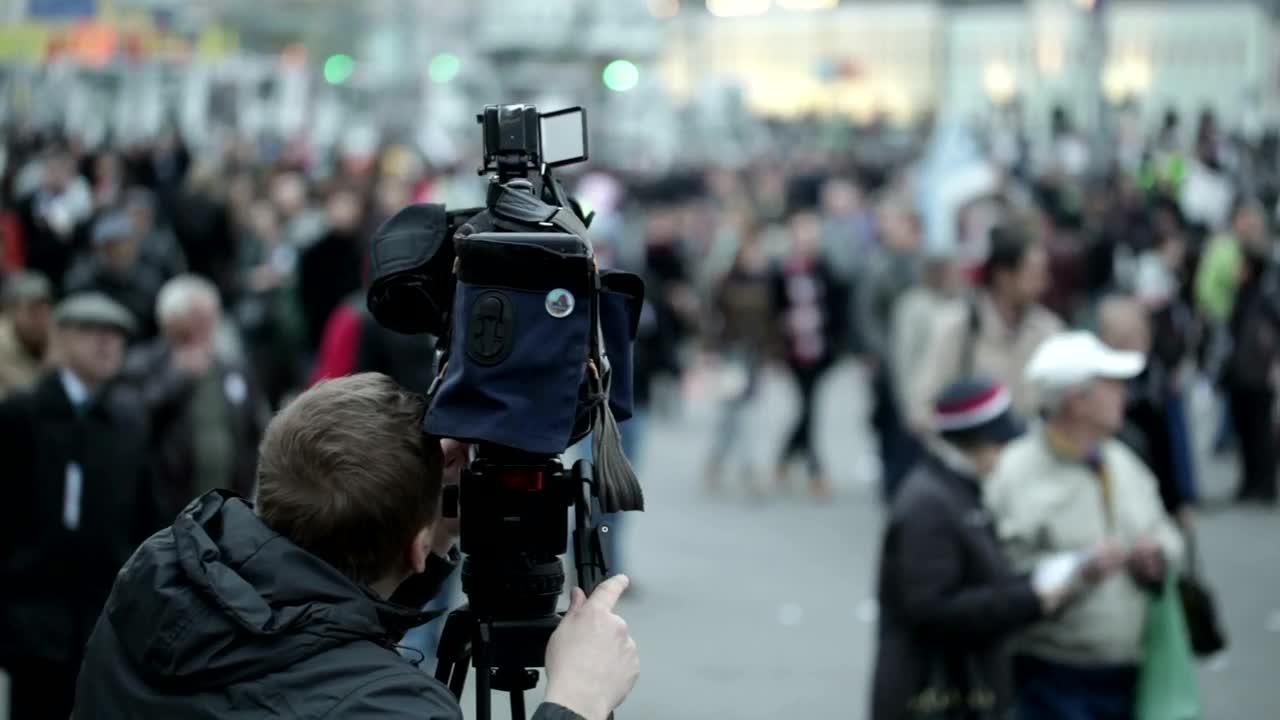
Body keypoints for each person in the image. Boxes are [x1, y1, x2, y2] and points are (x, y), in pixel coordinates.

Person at [73, 373, 639, 720]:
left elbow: (314, 624)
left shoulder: (157, 577)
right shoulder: (388, 707)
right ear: (415, 549)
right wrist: (577, 701)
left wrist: (424, 529)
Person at [986, 331, 1184, 719]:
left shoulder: (1122, 461)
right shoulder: (1016, 472)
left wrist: (1157, 556)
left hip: (1128, 669)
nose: (1125, 395)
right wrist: (1078, 571)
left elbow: (1165, 532)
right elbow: (1002, 569)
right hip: (1051, 673)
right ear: (1077, 400)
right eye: (1112, 386)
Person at [872, 376, 1092, 720]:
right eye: (1001, 443)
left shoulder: (953, 490)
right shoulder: (930, 505)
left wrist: (1034, 586)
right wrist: (1032, 599)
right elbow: (932, 610)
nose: (1006, 454)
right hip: (936, 697)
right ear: (978, 441)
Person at [0, 293, 159, 720]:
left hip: (103, 617)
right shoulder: (22, 414)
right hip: (32, 618)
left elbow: (146, 518)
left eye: (117, 335)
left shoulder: (128, 422)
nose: (108, 343)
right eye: (93, 331)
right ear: (62, 338)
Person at [121, 274, 269, 520]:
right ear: (171, 320)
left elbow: (256, 428)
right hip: (165, 511)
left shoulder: (231, 367)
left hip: (228, 507)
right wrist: (177, 377)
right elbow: (133, 421)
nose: (209, 325)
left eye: (213, 315)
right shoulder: (143, 363)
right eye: (198, 317)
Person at [914, 224, 1063, 429]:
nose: (1043, 284)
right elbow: (922, 408)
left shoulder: (1048, 330)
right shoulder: (959, 326)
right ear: (1003, 276)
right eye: (1033, 275)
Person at [772, 208, 848, 497]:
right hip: (793, 350)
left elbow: (839, 305)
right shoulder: (782, 270)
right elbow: (774, 307)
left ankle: (785, 458)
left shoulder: (825, 268)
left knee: (808, 408)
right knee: (808, 409)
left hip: (820, 349)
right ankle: (815, 471)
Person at [1219, 246, 1280, 504]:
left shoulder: (1265, 300)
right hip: (1240, 375)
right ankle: (1250, 483)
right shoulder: (1241, 297)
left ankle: (1264, 484)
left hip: (1258, 376)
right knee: (1245, 432)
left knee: (1260, 433)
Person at [63, 211, 167, 341]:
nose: (121, 252)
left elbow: (157, 331)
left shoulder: (149, 282)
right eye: (112, 246)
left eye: (126, 244)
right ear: (98, 249)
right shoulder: (81, 282)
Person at [0, 270, 53, 398]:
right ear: (10, 310)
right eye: (33, 311)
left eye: (45, 309)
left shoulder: (58, 338)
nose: (41, 319)